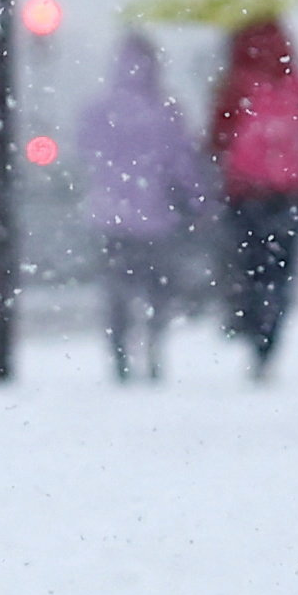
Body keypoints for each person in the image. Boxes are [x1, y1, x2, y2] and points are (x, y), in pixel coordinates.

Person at [72, 28, 201, 383]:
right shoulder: (165, 110)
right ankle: (154, 349)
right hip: (156, 216)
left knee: (117, 292)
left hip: (111, 215)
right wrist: (198, 200)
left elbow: (84, 152)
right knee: (156, 290)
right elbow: (183, 164)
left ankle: (120, 355)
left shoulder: (97, 110)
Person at [205, 12, 298, 380]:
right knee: (280, 270)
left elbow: (216, 139)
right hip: (292, 192)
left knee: (249, 265)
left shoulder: (236, 85)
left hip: (246, 191)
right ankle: (269, 338)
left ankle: (251, 324)